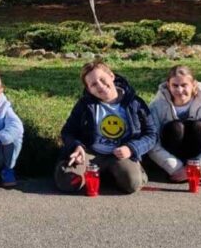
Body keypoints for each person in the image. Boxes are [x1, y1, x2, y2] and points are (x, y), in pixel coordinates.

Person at [54, 60, 158, 194]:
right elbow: (68, 131)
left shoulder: (134, 103)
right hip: (91, 152)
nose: (100, 86)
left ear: (112, 76)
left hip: (120, 154)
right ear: (88, 89)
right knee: (66, 182)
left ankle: (118, 172)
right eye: (93, 84)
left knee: (132, 184)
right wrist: (77, 146)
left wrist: (132, 148)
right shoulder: (85, 105)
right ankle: (93, 171)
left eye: (102, 79)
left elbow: (151, 134)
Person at [146, 65, 201, 182]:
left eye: (184, 85)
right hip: (172, 155)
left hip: (197, 154)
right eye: (175, 85)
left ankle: (196, 172)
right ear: (168, 85)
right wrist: (175, 168)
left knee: (199, 127)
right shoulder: (157, 106)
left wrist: (198, 168)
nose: (179, 90)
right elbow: (151, 140)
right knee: (176, 127)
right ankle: (178, 173)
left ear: (194, 84)